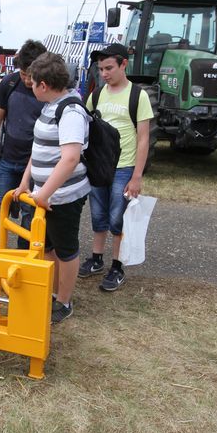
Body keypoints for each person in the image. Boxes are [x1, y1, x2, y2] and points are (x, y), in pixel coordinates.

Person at [13, 52, 90, 324]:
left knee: (65, 248)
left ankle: (64, 301)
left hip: (63, 196)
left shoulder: (70, 111)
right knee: (47, 246)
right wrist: (26, 182)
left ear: (44, 85)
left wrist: (43, 195)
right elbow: (39, 150)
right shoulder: (50, 106)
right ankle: (50, 292)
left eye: (32, 82)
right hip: (43, 196)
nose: (29, 86)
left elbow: (70, 158)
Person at [78, 43, 153, 292]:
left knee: (117, 219)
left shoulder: (137, 96)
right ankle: (97, 258)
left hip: (124, 167)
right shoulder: (97, 95)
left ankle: (117, 266)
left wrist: (137, 176)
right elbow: (85, 125)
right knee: (98, 215)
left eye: (109, 68)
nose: (104, 74)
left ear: (124, 64)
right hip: (99, 167)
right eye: (100, 69)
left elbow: (143, 138)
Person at [0, 39, 47, 248]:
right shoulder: (9, 83)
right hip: (7, 162)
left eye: (31, 75)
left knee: (30, 215)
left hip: (35, 167)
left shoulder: (48, 92)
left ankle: (23, 257)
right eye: (23, 74)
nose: (28, 80)